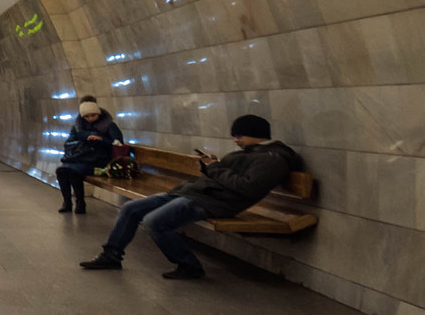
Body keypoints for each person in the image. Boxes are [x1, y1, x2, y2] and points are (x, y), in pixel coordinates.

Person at [81, 114, 303, 280]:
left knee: (154, 221)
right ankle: (111, 255)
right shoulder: (254, 153)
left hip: (216, 202)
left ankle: (189, 266)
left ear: (256, 135)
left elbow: (247, 187)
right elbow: (230, 176)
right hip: (197, 192)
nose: (235, 140)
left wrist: (215, 168)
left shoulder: (272, 159)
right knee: (131, 209)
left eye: (239, 135)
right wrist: (212, 165)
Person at [55, 97, 122, 214]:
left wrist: (101, 139)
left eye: (93, 115)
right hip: (80, 158)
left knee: (74, 172)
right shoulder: (78, 127)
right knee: (61, 170)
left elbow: (118, 144)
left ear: (98, 114)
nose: (90, 119)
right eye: (87, 116)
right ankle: (67, 202)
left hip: (100, 161)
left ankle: (80, 203)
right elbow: (68, 143)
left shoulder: (109, 126)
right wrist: (84, 140)